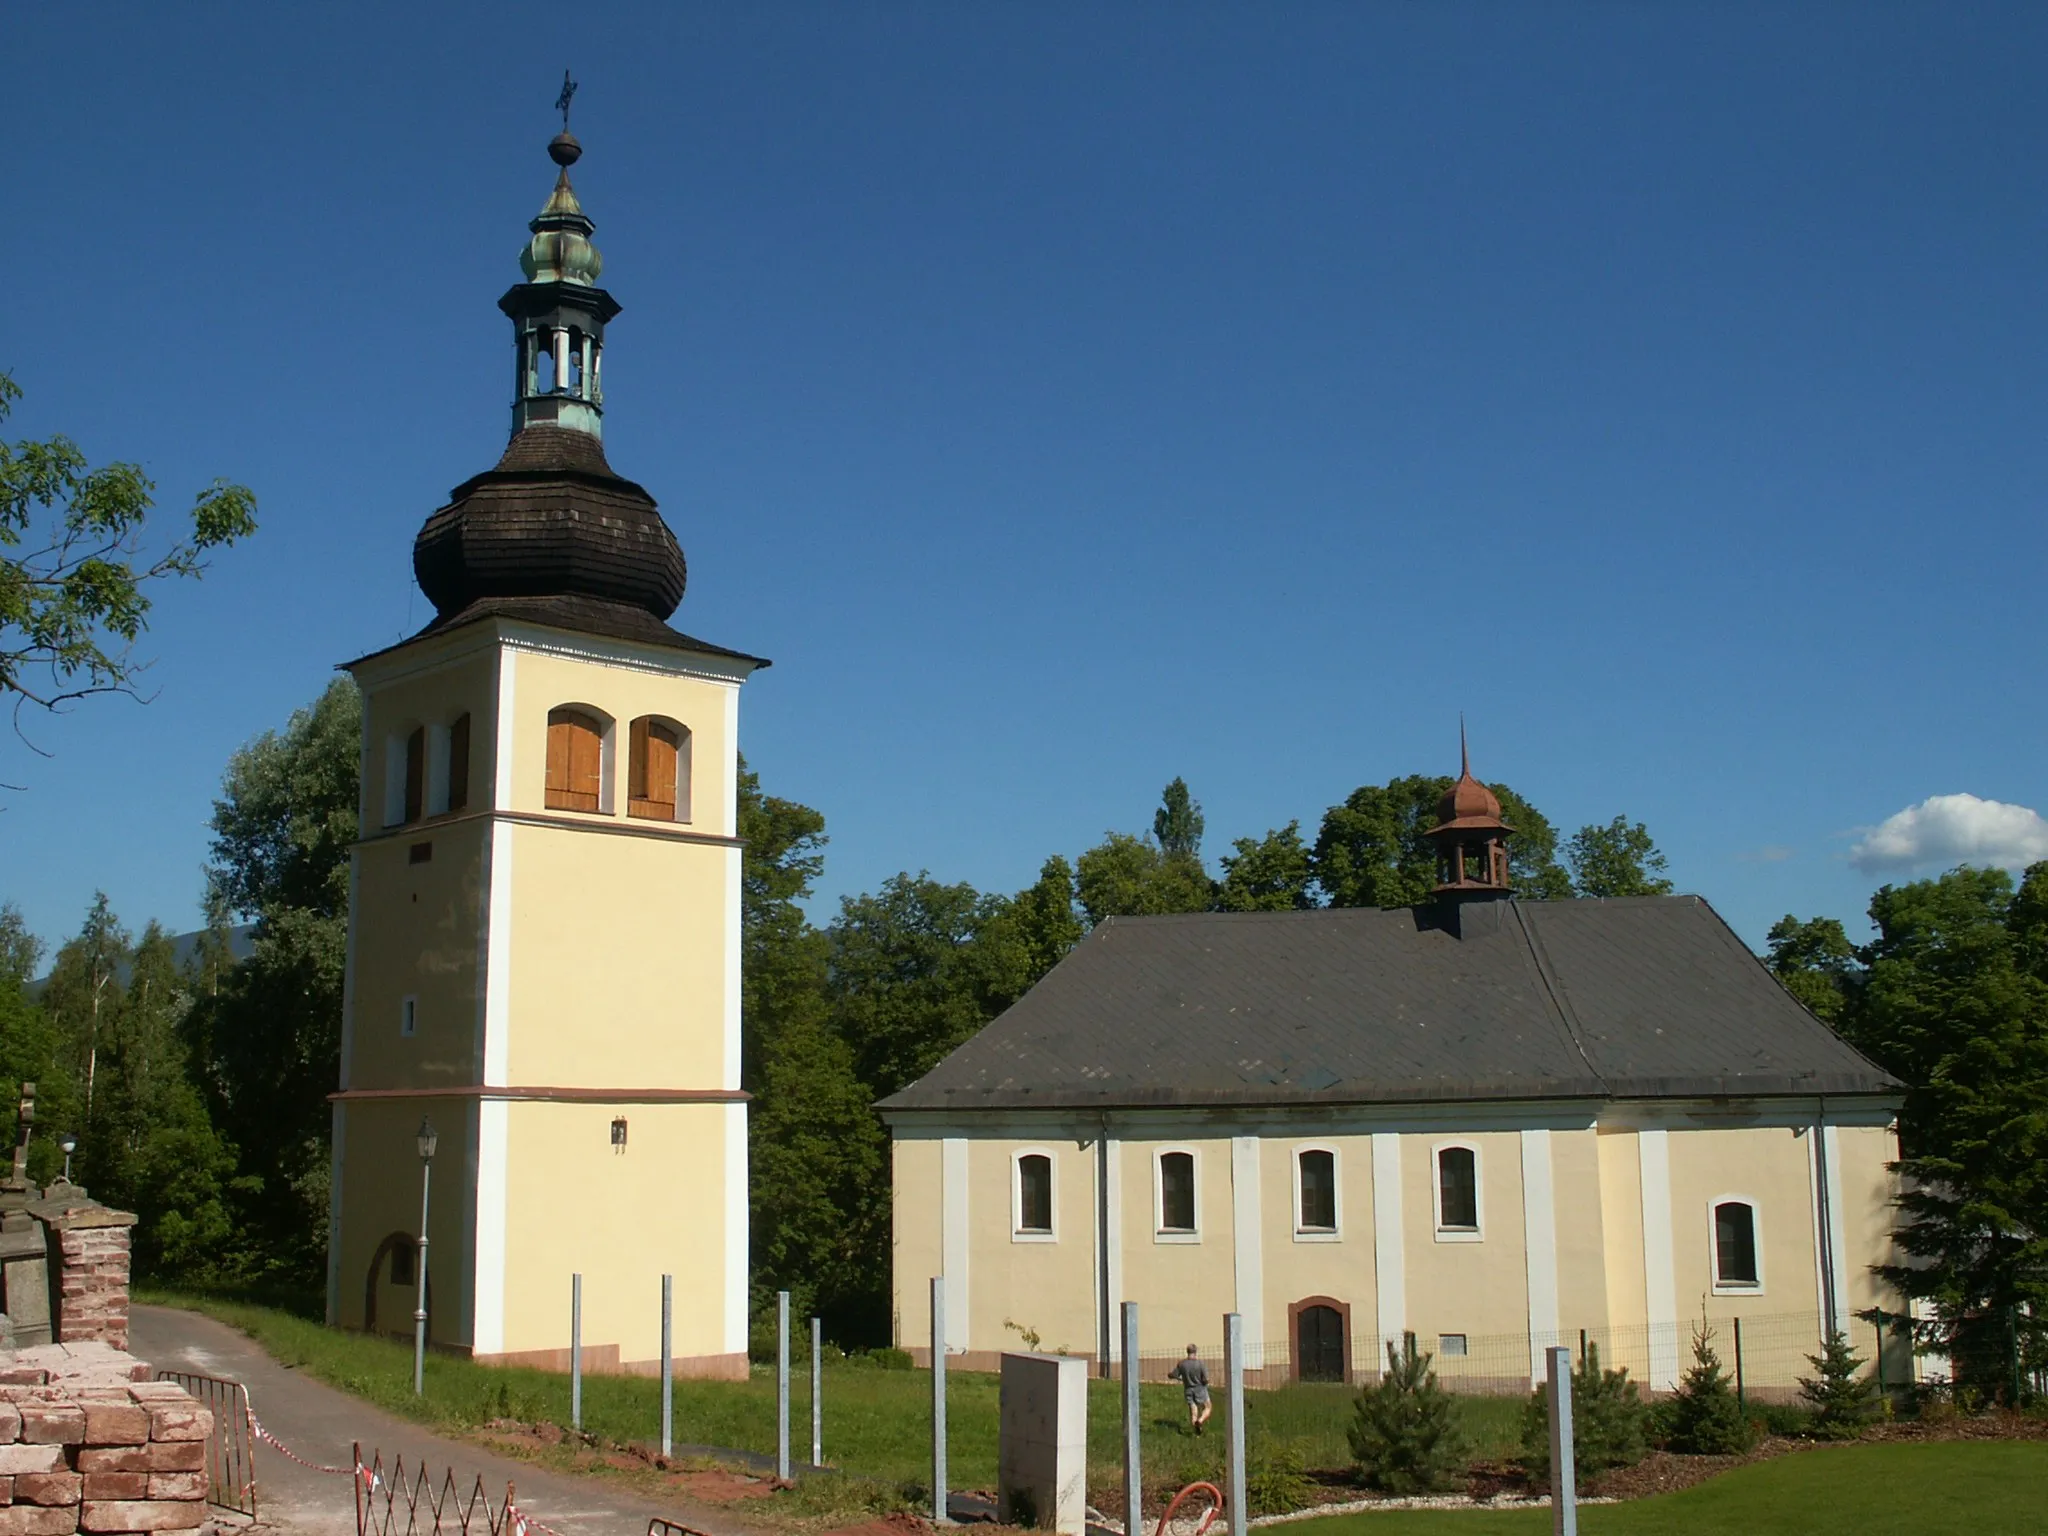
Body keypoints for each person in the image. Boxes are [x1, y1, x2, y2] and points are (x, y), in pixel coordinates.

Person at [1168, 1344, 1212, 1435]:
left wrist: (1171, 1375)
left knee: (1193, 1410)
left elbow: (1174, 1375)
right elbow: (1206, 1379)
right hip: (1200, 1389)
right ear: (1195, 1352)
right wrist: (1205, 1382)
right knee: (1208, 1407)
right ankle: (1200, 1421)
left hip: (1188, 1390)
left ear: (1187, 1351)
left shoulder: (1182, 1364)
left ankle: (1195, 1431)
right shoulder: (1200, 1364)